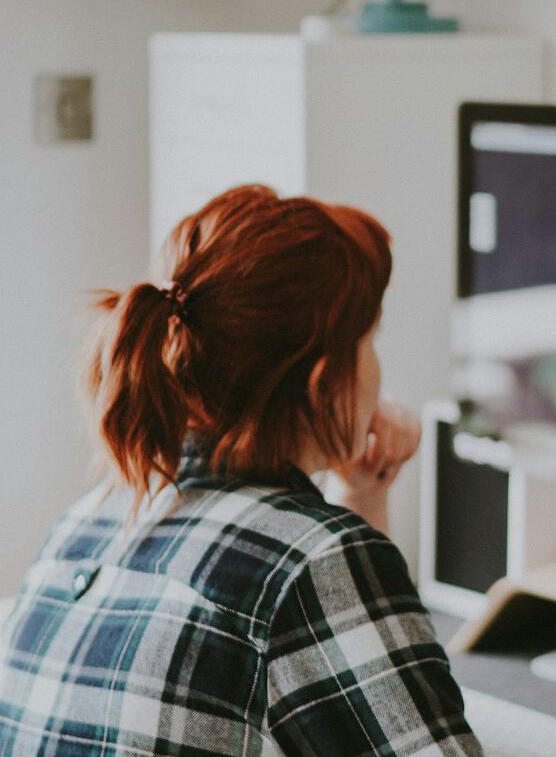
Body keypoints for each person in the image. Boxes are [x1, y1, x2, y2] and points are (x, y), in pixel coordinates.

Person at [0, 186, 481, 756]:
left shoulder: (87, 521)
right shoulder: (313, 561)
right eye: (369, 340)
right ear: (324, 380)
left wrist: (358, 490)